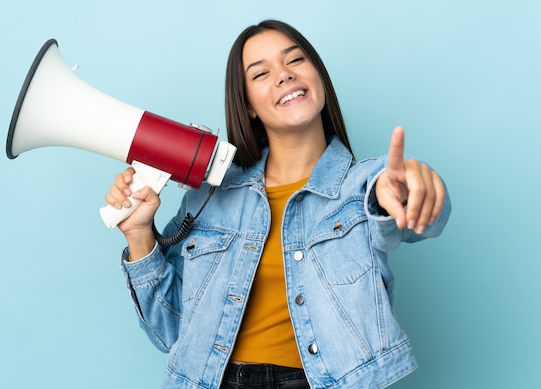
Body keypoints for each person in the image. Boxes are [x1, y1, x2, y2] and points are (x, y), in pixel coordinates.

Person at [105, 20, 451, 389]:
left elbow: (423, 216)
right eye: (261, 73)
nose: (284, 76)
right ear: (248, 106)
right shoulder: (208, 198)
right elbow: (169, 330)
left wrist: (409, 189)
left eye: (295, 60)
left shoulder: (367, 184)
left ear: (317, 75)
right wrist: (140, 235)